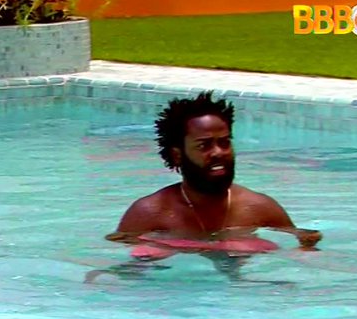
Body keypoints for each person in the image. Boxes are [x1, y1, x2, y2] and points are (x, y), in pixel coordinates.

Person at [91, 90, 321, 280]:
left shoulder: (260, 208)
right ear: (177, 154)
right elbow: (120, 266)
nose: (218, 153)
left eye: (224, 142)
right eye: (204, 146)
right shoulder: (150, 212)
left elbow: (303, 247)